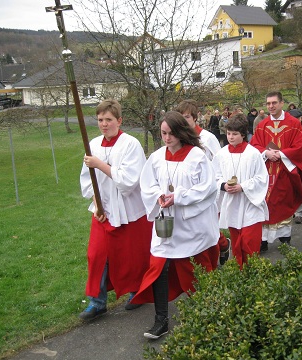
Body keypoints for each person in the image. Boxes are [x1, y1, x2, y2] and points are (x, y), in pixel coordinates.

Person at [131, 111, 219, 340]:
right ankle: (161, 321)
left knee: (194, 270)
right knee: (158, 268)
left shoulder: (197, 156)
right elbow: (147, 185)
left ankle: (208, 313)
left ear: (181, 133)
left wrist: (178, 197)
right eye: (163, 134)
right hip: (165, 225)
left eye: (171, 134)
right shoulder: (157, 157)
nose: (167, 138)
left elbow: (207, 188)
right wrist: (159, 197)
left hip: (190, 225)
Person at [79, 99, 152, 321]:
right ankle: (97, 302)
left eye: (108, 120)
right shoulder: (93, 144)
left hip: (128, 210)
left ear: (119, 121)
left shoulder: (131, 144)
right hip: (102, 211)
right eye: (100, 120)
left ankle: (136, 292)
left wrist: (100, 164)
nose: (104, 124)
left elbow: (130, 181)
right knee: (96, 255)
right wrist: (97, 202)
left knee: (130, 256)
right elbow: (87, 179)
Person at [250, 91, 302, 252]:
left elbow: (301, 146)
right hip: (265, 173)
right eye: (268, 103)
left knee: (283, 203)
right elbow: (254, 145)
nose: (271, 106)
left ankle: (285, 238)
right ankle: (262, 240)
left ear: (281, 103)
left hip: (285, 171)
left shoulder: (293, 123)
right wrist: (266, 153)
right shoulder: (262, 125)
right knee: (264, 204)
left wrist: (282, 154)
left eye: (274, 103)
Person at [175, 99, 230, 266]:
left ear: (195, 117)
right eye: (181, 118)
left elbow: (220, 160)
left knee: (208, 224)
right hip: (187, 189)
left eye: (187, 117)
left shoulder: (207, 138)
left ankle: (221, 247)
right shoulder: (178, 139)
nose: (184, 122)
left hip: (208, 188)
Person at [213, 114, 269, 268]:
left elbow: (261, 178)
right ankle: (240, 274)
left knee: (249, 242)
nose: (231, 137)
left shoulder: (253, 154)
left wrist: (242, 186)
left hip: (250, 203)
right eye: (229, 133)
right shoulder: (221, 154)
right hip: (232, 204)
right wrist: (224, 185)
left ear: (243, 135)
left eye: (235, 134)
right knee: (237, 243)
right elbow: (214, 176)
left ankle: (252, 273)